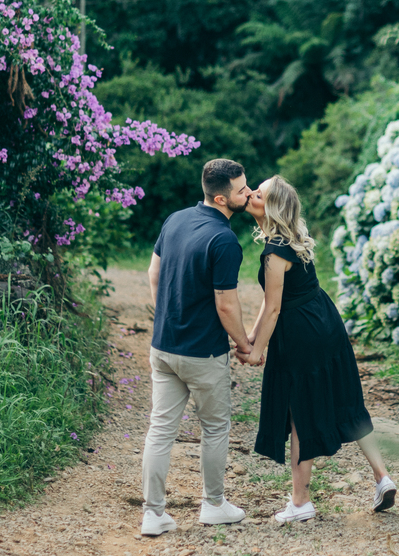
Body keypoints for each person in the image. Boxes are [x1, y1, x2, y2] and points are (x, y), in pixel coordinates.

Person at [240, 174, 397, 522]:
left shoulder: (273, 252)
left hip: (301, 333)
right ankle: (383, 477)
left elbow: (274, 307)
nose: (250, 194)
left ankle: (300, 503)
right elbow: (269, 306)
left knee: (300, 413)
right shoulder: (294, 240)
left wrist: (255, 349)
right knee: (349, 401)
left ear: (274, 207)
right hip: (327, 322)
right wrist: (251, 340)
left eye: (259, 194)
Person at [140, 158, 255, 537]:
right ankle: (213, 505)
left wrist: (165, 318)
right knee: (215, 427)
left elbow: (154, 273)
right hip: (203, 353)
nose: (249, 193)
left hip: (164, 346)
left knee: (160, 429)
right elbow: (226, 304)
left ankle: (153, 514)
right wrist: (244, 344)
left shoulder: (175, 219)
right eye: (241, 190)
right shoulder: (224, 241)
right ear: (222, 198)